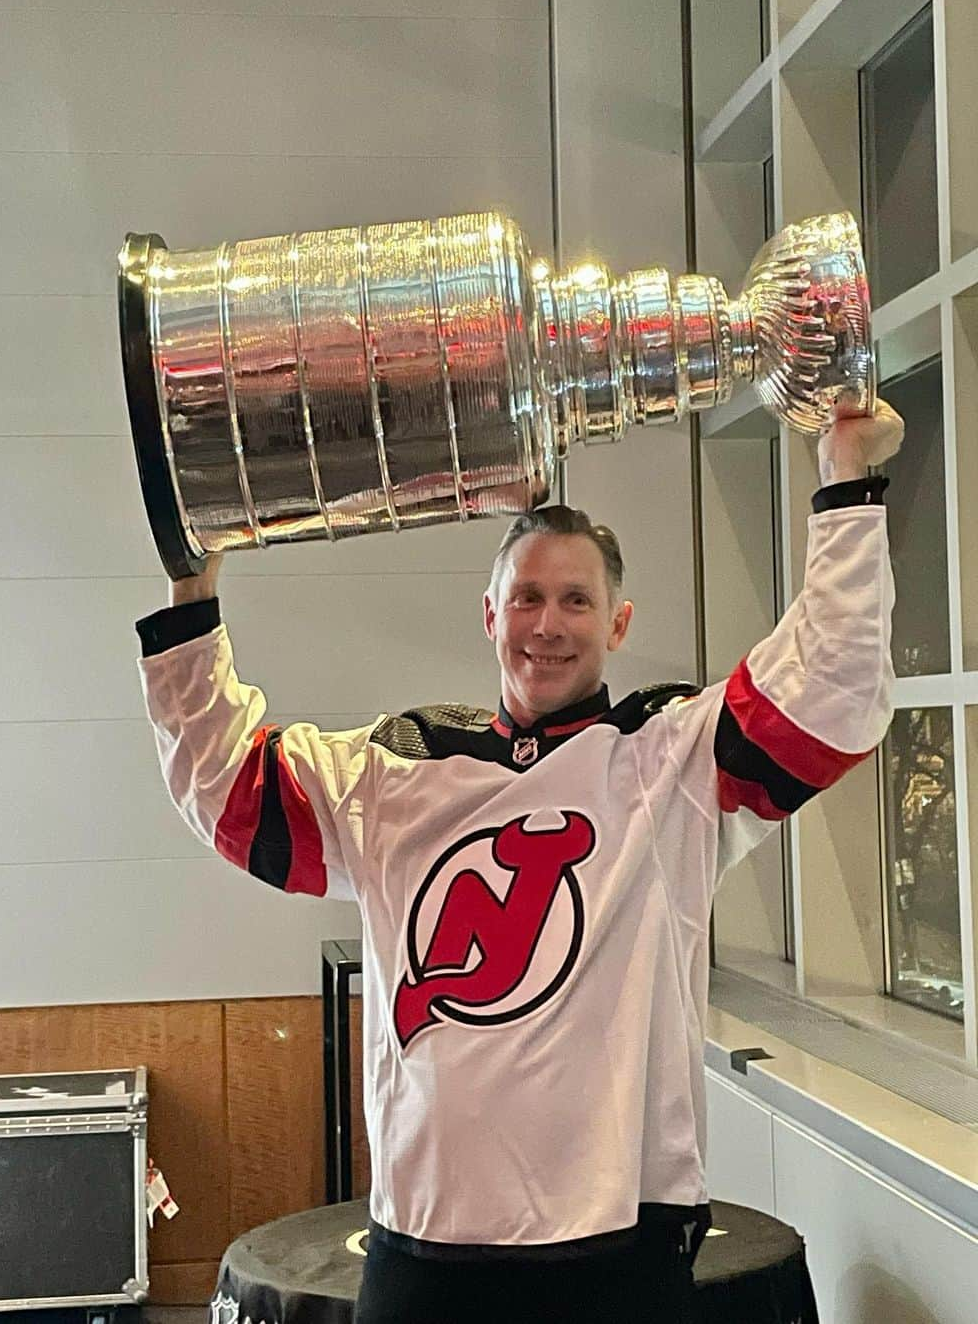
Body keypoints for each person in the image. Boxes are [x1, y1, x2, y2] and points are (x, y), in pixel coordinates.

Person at [134, 400, 903, 1324]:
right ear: (490, 614)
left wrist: (846, 479)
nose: (549, 623)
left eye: (576, 600)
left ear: (617, 623)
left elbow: (832, 695)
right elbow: (226, 787)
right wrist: (193, 575)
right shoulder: (395, 766)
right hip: (423, 1256)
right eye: (528, 598)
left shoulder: (667, 760)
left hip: (618, 1258)